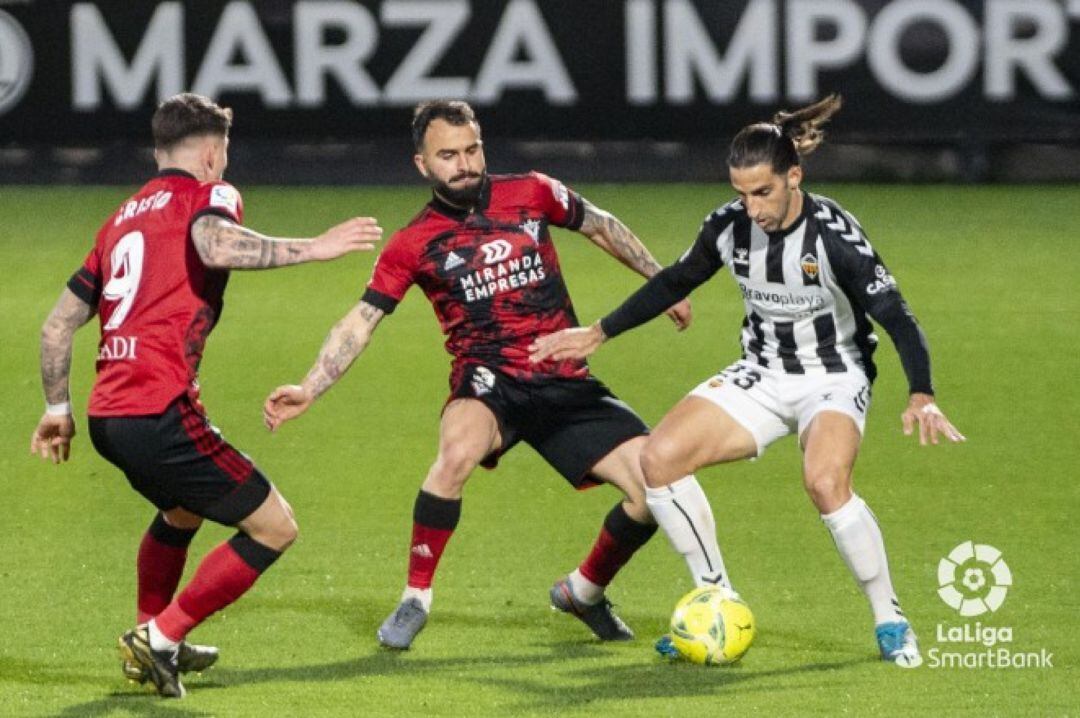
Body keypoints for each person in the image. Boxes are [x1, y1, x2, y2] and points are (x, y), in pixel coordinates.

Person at [529, 95, 965, 668]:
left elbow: (899, 317)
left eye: (763, 192)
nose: (752, 207)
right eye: (742, 193)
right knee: (658, 459)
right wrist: (600, 332)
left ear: (794, 176)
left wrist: (922, 392)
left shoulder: (833, 236)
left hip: (832, 377)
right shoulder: (728, 227)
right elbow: (677, 279)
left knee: (825, 482)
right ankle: (717, 601)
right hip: (760, 373)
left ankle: (890, 619)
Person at [263, 99, 693, 650]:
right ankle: (416, 598)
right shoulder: (412, 244)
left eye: (472, 150)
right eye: (448, 155)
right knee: (456, 454)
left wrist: (662, 283)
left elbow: (601, 226)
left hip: (563, 376)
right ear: (422, 164)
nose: (464, 164)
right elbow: (362, 320)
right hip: (488, 382)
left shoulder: (532, 192)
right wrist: (310, 387)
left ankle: (584, 591)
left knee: (654, 491)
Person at [29, 93, 382, 698]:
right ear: (214, 152)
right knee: (276, 527)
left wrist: (57, 410)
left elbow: (57, 325)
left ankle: (153, 635)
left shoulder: (120, 219)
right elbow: (215, 246)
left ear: (157, 150)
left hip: (108, 416)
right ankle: (160, 637)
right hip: (158, 406)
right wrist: (315, 247)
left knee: (181, 511)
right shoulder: (211, 194)